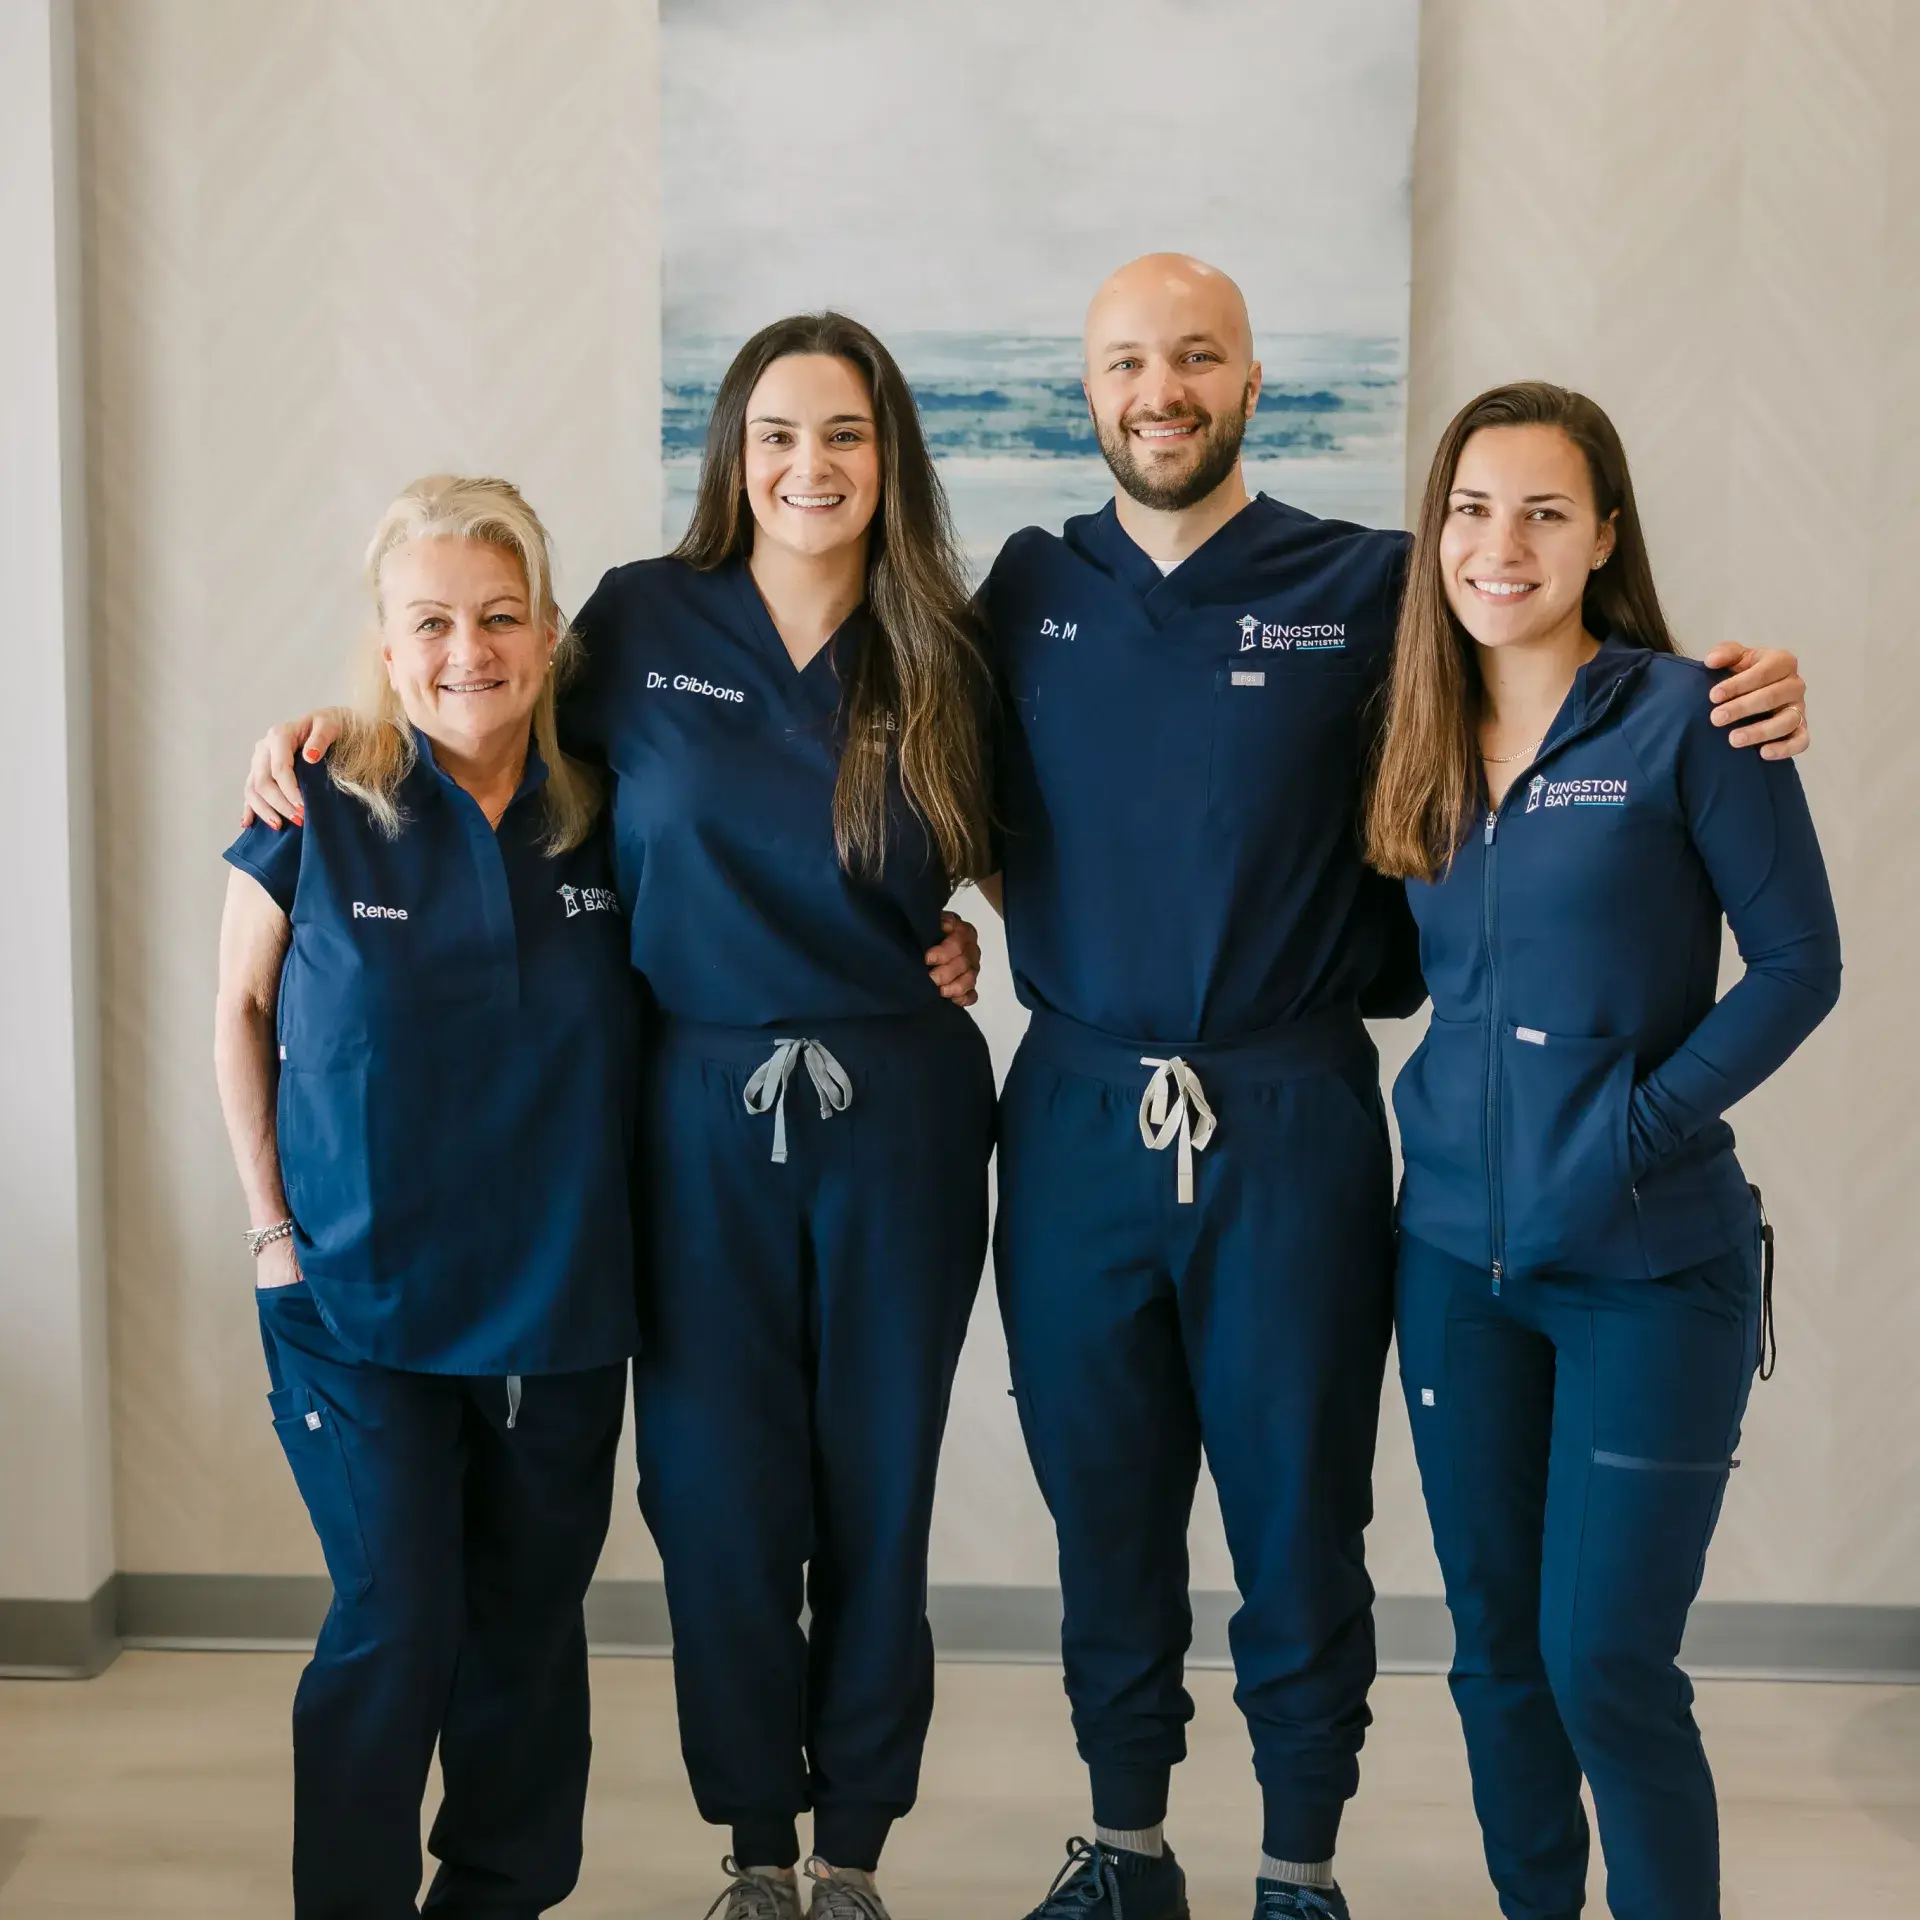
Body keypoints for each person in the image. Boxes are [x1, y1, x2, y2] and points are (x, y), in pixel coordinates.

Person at [977, 257, 1814, 1920]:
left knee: (1302, 1508)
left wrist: (1757, 686)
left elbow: (1565, 686)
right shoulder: (1018, 591)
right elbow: (893, 763)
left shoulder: (1375, 588)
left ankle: (1301, 1870)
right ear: (1086, 389)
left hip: (1290, 1110)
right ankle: (1126, 1847)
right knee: (1104, 1504)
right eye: (1129, 360)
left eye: (1198, 355)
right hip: (1074, 1106)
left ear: (1254, 381)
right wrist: (922, 945)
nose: (1163, 388)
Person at [239, 315, 993, 1920]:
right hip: (696, 1115)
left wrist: (976, 941)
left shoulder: (944, 642)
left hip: (899, 1112)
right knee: (718, 1497)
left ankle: (852, 1848)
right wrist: (299, 739)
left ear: (890, 454)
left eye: (845, 433)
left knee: (880, 1486)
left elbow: (1063, 848)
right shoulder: (641, 623)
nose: (810, 465)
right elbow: (460, 715)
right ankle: (753, 1854)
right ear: (732, 450)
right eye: (777, 431)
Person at [1369, 383, 1840, 1920]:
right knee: (1498, 1656)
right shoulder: (1411, 731)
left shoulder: (1689, 716)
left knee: (1607, 1663)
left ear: (1604, 536)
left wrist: (1639, 1125)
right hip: (1452, 1265)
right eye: (1473, 509)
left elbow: (1797, 967)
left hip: (1649, 1269)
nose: (1501, 545)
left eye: (1545, 512)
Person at [214, 476, 641, 1918]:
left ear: (550, 630)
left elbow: (752, 920)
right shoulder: (313, 803)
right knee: (398, 1620)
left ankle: (498, 1901)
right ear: (388, 648)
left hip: (562, 1305)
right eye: (435, 622)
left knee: (526, 1635)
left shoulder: (614, 803)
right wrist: (272, 1235)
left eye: (501, 616)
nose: (472, 649)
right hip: (355, 1301)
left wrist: (933, 951)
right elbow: (236, 1011)